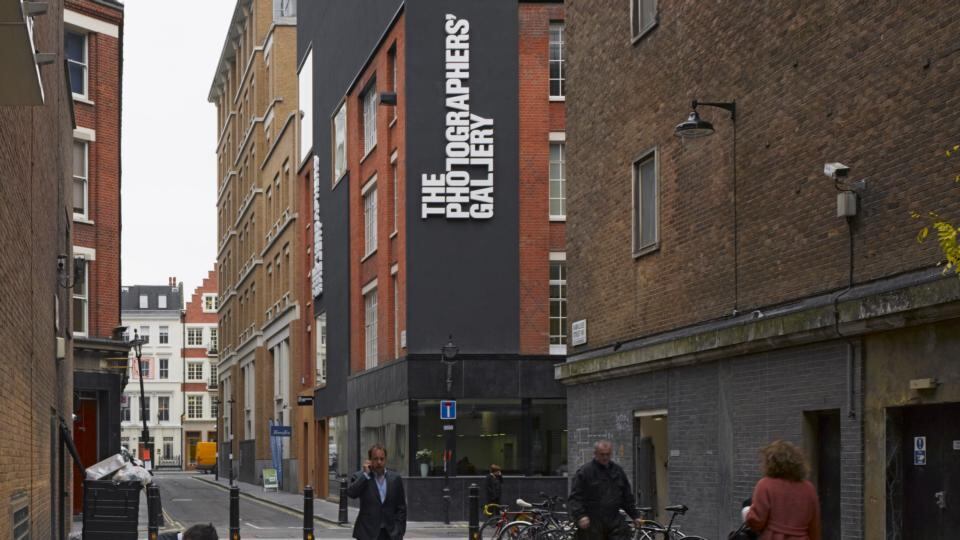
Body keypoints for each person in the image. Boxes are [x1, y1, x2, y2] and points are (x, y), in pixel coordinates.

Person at [745, 440, 821, 540]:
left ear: (771, 463)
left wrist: (746, 512)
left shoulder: (765, 484)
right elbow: (814, 527)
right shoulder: (809, 488)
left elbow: (756, 522)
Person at [568, 440, 641, 540]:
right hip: (592, 522)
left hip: (614, 520)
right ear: (595, 454)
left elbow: (626, 496)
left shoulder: (617, 471)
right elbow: (575, 497)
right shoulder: (585, 472)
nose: (605, 457)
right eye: (602, 454)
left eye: (608, 454)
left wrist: (635, 515)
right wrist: (580, 516)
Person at [347, 443, 407, 540]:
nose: (379, 462)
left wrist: (400, 531)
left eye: (382, 459)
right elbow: (351, 493)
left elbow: (401, 508)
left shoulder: (395, 479)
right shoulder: (360, 476)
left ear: (385, 459)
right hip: (367, 533)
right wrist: (365, 475)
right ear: (370, 460)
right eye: (375, 459)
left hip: (390, 533)